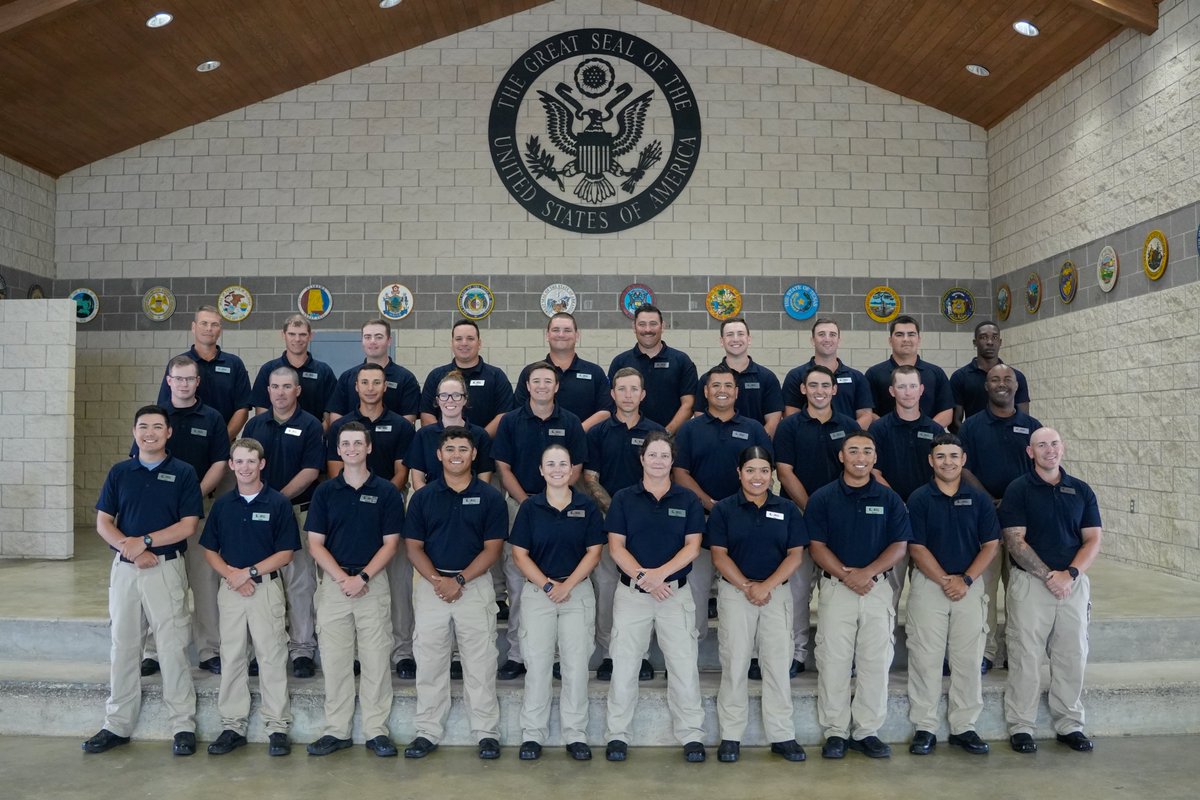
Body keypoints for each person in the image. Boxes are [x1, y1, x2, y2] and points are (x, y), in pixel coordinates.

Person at [83, 405, 202, 756]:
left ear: (169, 432)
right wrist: (131, 549)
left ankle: (182, 725)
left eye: (157, 427)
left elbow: (188, 525)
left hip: (165, 568)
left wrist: (146, 542)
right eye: (143, 427)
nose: (150, 433)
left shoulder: (183, 472)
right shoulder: (121, 472)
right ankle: (117, 724)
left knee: (172, 647)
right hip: (125, 569)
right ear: (134, 432)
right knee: (123, 646)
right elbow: (104, 522)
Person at [403, 427, 507, 760]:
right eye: (450, 449)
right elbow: (413, 547)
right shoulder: (423, 497)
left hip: (474, 588)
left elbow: (493, 549)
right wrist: (439, 581)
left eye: (463, 449)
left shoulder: (490, 497)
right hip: (432, 588)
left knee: (480, 663)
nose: (456, 455)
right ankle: (427, 731)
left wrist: (459, 580)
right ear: (439, 455)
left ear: (474, 454)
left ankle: (486, 732)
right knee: (430, 663)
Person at [805, 430, 911, 760]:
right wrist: (846, 575)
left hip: (877, 589)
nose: (860, 457)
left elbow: (899, 545)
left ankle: (867, 731)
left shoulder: (889, 499)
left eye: (867, 451)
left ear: (875, 458)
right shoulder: (822, 498)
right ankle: (836, 731)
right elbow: (816, 546)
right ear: (841, 456)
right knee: (833, 661)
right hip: (837, 589)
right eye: (853, 451)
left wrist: (867, 573)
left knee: (875, 661)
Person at [604, 431, 707, 764]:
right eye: (653, 455)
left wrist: (659, 575)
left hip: (674, 595)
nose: (658, 461)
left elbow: (692, 547)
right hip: (632, 595)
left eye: (665, 455)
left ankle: (692, 735)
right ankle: (617, 735)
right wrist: (644, 579)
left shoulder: (688, 500)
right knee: (624, 666)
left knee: (684, 666)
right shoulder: (623, 498)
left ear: (672, 460)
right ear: (642, 459)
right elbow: (616, 547)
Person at [304, 423, 404, 757]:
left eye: (357, 443)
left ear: (369, 448)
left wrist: (362, 578)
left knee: (376, 660)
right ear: (338, 450)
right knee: (335, 661)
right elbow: (315, 544)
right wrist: (342, 579)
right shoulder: (325, 492)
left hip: (372, 584)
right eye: (345, 444)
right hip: (334, 586)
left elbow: (391, 544)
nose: (351, 449)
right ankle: (337, 730)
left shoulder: (386, 492)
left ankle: (376, 731)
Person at [1001, 427, 1102, 754]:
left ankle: (1070, 724)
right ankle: (1021, 726)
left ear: (1063, 447)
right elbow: (1014, 541)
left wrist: (1070, 574)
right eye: (1041, 445)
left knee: (1072, 654)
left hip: (1073, 584)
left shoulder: (1081, 490)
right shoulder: (1018, 489)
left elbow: (1093, 539)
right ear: (1030, 452)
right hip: (1032, 584)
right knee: (1025, 656)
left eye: (1054, 444)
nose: (1049, 450)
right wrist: (1049, 576)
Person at [200, 438, 300, 757]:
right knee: (232, 656)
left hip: (265, 588)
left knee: (271, 656)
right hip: (231, 589)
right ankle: (233, 726)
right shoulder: (223, 505)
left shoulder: (278, 503)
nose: (245, 467)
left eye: (251, 461)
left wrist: (250, 573)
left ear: (262, 464)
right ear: (231, 465)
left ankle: (277, 726)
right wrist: (233, 576)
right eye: (239, 461)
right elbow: (210, 550)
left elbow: (286, 553)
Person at [708, 446, 807, 763]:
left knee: (777, 665)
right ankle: (731, 736)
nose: (757, 477)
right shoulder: (724, 510)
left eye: (764, 470)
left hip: (775, 594)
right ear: (739, 473)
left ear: (772, 474)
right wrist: (747, 586)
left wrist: (766, 586)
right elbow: (719, 555)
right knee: (735, 664)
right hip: (736, 594)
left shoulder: (787, 509)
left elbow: (795, 555)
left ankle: (782, 735)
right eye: (750, 470)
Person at [491, 361, 588, 679]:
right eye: (536, 381)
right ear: (527, 386)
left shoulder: (571, 422)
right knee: (518, 583)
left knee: (561, 578)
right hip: (522, 506)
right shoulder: (510, 421)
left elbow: (576, 467)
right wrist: (528, 503)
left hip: (562, 507)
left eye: (548, 381)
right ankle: (517, 654)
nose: (542, 386)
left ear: (557, 386)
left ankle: (558, 656)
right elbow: (503, 468)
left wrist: (555, 496)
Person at [905, 433, 999, 756]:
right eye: (941, 456)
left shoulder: (979, 499)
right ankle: (925, 727)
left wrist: (966, 579)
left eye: (953, 456)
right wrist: (946, 580)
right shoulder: (919, 499)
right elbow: (916, 547)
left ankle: (964, 726)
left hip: (969, 586)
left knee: (968, 659)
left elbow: (990, 545)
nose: (948, 462)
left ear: (963, 460)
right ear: (931, 461)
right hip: (930, 586)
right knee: (925, 657)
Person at [510, 443, 605, 761]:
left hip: (577, 593)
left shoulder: (586, 506)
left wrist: (568, 586)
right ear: (541, 470)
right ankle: (532, 734)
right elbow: (519, 554)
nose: (557, 470)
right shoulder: (530, 508)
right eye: (550, 464)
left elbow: (594, 552)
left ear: (572, 469)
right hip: (539, 594)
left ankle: (575, 734)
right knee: (537, 666)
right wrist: (549, 585)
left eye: (563, 463)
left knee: (575, 667)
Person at [136, 355, 229, 677]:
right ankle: (153, 651)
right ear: (169, 381)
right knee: (160, 586)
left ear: (197, 382)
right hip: (161, 520)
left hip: (201, 514)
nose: (184, 384)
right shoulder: (156, 418)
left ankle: (209, 650)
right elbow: (141, 461)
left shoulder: (213, 418)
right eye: (178, 378)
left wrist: (192, 497)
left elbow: (220, 463)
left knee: (205, 586)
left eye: (190, 378)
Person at [327, 362, 418, 681]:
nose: (370, 388)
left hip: (389, 509)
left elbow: (402, 472)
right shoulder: (342, 427)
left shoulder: (401, 426)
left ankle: (403, 652)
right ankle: (354, 653)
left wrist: (381, 498)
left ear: (385, 387)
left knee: (398, 584)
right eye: (364, 382)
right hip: (348, 513)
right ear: (356, 386)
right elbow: (335, 470)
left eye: (376, 382)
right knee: (353, 585)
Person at [673, 365, 772, 641]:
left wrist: (734, 508)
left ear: (737, 392)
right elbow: (680, 473)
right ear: (705, 391)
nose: (722, 391)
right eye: (715, 385)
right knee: (696, 590)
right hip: (700, 522)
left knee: (743, 587)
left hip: (744, 522)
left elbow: (764, 474)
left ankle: (750, 652)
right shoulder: (690, 429)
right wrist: (711, 505)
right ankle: (691, 650)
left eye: (728, 386)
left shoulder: (753, 428)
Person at [773, 364, 859, 675]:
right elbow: (784, 472)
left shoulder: (849, 426)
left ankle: (840, 656)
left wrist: (829, 512)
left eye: (825, 385)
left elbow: (856, 470)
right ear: (804, 390)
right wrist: (812, 508)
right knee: (797, 591)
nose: (819, 391)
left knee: (839, 589)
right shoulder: (789, 426)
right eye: (813, 385)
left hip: (841, 518)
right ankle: (795, 653)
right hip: (798, 515)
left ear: (834, 390)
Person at [579, 367, 664, 681]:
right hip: (606, 521)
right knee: (607, 588)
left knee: (641, 588)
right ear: (612, 394)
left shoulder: (656, 433)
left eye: (634, 389)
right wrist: (617, 512)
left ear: (643, 395)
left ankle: (641, 656)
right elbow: (590, 478)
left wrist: (636, 514)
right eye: (622, 389)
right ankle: (608, 655)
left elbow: (661, 475)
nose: (628, 395)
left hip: (648, 523)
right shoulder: (598, 432)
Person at [242, 366, 325, 678]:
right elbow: (245, 467)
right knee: (262, 584)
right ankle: (265, 648)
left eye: (287, 386)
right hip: (258, 516)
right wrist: (263, 503)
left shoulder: (311, 425)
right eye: (275, 387)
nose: (280, 392)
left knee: (300, 582)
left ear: (297, 390)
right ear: (268, 391)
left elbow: (311, 470)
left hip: (297, 512)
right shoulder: (254, 425)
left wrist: (276, 501)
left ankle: (302, 649)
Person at [959, 363, 1042, 671]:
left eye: (1008, 379)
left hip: (1023, 521)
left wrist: (1012, 500)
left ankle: (1015, 651)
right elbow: (963, 468)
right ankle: (987, 652)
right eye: (995, 379)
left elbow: (1039, 467)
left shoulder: (1032, 426)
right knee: (985, 590)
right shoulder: (971, 426)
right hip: (985, 519)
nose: (1002, 384)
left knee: (1021, 591)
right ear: (986, 386)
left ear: (1017, 386)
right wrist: (988, 500)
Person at [870, 364, 945, 607]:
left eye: (913, 386)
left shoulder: (935, 430)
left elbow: (944, 473)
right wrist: (899, 504)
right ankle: (887, 632)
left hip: (928, 516)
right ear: (892, 391)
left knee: (930, 587)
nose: (908, 392)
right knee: (889, 589)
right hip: (893, 516)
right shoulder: (879, 429)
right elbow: (874, 471)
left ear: (921, 390)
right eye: (901, 386)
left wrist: (920, 504)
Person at [157, 306, 252, 442]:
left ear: (220, 330)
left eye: (214, 324)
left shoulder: (234, 364)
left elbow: (242, 409)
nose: (209, 328)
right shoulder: (178, 364)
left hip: (225, 443)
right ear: (193, 327)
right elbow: (164, 407)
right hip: (181, 443)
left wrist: (221, 441)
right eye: (204, 323)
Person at [607, 304, 698, 433]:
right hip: (627, 437)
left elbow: (688, 404)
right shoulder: (620, 362)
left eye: (653, 324)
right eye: (642, 324)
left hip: (670, 439)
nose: (647, 329)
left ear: (663, 326)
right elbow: (611, 403)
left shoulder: (681, 361)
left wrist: (664, 435)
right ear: (634, 327)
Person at [515, 312, 612, 431]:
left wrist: (575, 433)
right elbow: (518, 411)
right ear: (547, 335)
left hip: (583, 440)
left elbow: (605, 411)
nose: (561, 335)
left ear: (577, 335)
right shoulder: (530, 372)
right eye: (556, 330)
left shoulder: (595, 372)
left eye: (567, 330)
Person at [419, 319, 515, 437]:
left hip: (485, 446)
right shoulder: (436, 376)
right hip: (443, 446)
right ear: (452, 343)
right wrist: (449, 442)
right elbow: (427, 415)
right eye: (458, 339)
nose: (464, 343)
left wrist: (478, 440)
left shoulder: (497, 376)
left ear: (479, 343)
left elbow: (504, 415)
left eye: (470, 338)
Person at [695, 317, 783, 437]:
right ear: (721, 341)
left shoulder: (767, 378)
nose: (735, 339)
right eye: (730, 334)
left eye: (740, 334)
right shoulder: (707, 379)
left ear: (749, 339)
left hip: (755, 446)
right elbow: (700, 417)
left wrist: (756, 443)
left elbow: (773, 420)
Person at [783, 318, 874, 429]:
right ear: (812, 340)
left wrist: (846, 436)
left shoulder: (857, 377)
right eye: (821, 334)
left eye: (832, 335)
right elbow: (791, 414)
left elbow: (865, 415)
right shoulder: (796, 376)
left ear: (839, 340)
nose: (827, 339)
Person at [864, 315, 954, 428]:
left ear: (919, 339)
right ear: (890, 341)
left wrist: (925, 432)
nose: (906, 339)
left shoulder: (936, 373)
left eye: (911, 334)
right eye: (899, 335)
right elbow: (868, 412)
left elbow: (947, 412)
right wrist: (890, 432)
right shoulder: (874, 374)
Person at [251, 314, 337, 428]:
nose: (297, 339)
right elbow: (262, 411)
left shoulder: (324, 372)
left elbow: (330, 413)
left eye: (302, 334)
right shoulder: (268, 370)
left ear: (310, 336)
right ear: (283, 335)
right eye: (292, 334)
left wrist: (315, 434)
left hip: (313, 436)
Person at [328, 318, 420, 424]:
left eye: (378, 337)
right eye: (367, 337)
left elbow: (408, 420)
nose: (372, 341)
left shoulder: (406, 378)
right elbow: (336, 415)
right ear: (362, 340)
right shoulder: (347, 377)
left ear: (389, 341)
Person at [950, 320, 1030, 429]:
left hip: (1008, 437)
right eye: (983, 337)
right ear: (975, 342)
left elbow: (1024, 419)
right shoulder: (960, 377)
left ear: (1000, 342)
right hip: (973, 436)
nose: (990, 342)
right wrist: (970, 436)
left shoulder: (1016, 377)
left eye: (995, 337)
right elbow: (954, 422)